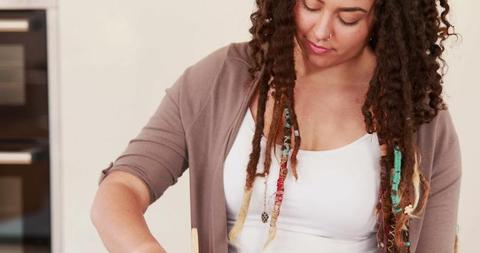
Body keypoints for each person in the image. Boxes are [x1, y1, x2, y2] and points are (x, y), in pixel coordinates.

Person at [91, 0, 462, 252]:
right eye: (310, 5)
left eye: (348, 17)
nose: (321, 31)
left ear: (384, 14)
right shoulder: (222, 78)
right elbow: (122, 186)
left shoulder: (420, 120)